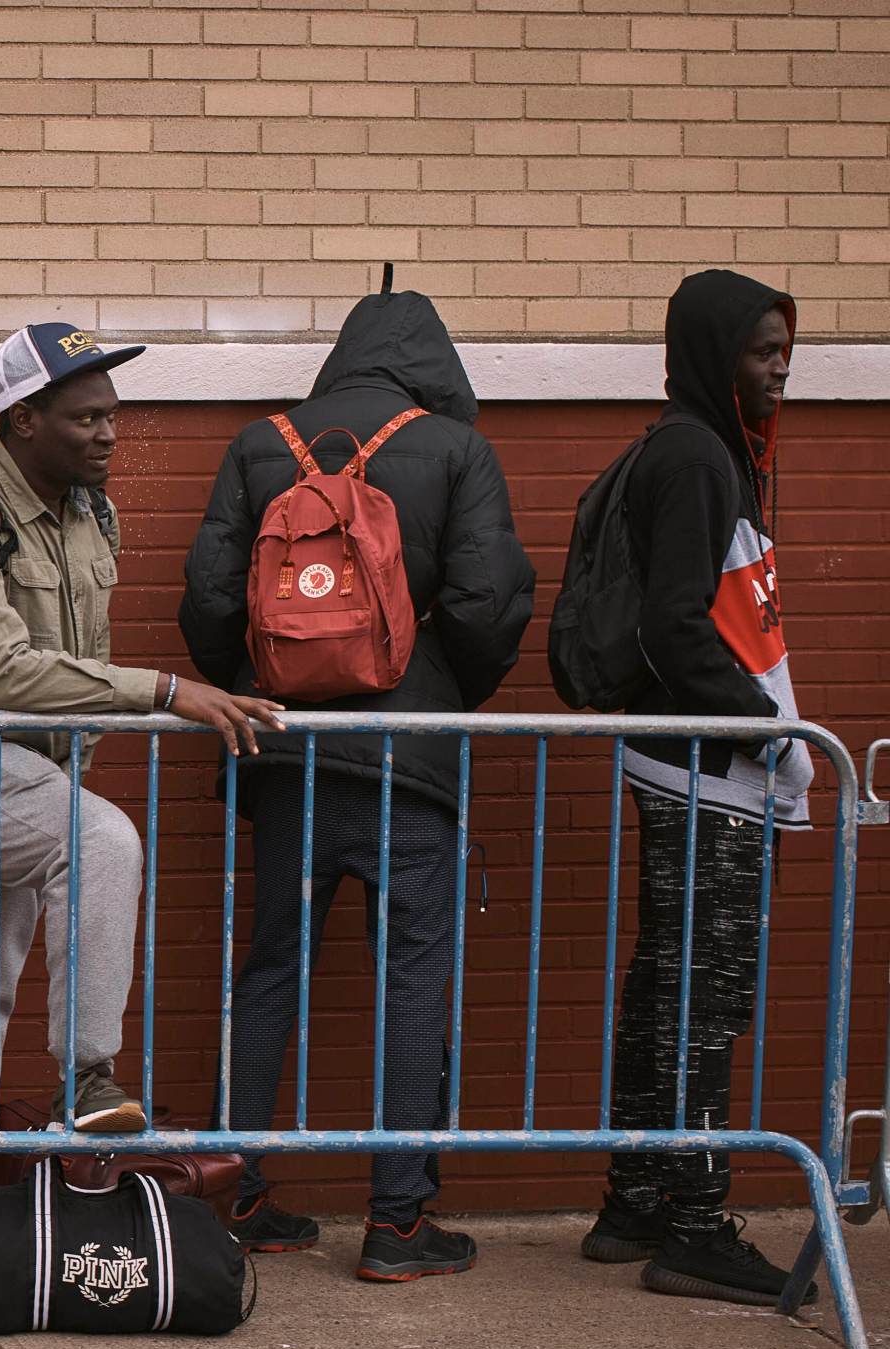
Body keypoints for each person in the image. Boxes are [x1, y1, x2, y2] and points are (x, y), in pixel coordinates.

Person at [0, 323, 283, 1285]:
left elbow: (67, 664)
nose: (108, 433)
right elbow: (2, 671)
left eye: (112, 416)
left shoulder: (92, 513)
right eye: (84, 416)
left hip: (24, 767)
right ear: (20, 419)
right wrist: (168, 692)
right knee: (101, 841)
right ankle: (86, 1073)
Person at [178, 291, 534, 1282]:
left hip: (282, 750)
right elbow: (486, 601)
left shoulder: (263, 447)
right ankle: (399, 1226)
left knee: (269, 976)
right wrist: (433, 691)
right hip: (404, 764)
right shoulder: (455, 451)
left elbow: (208, 602)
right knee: (411, 982)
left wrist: (261, 681)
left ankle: (235, 1193)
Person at [585, 269, 813, 1308]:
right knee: (703, 995)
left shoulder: (698, 448)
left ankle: (634, 1197)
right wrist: (771, 731)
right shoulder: (693, 454)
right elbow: (675, 624)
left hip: (687, 759)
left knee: (666, 982)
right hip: (704, 768)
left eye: (783, 351)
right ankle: (694, 1223)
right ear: (712, 353)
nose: (778, 370)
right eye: (760, 353)